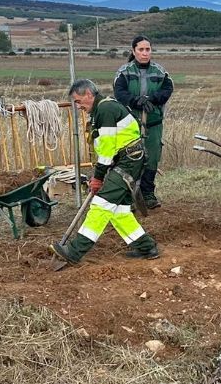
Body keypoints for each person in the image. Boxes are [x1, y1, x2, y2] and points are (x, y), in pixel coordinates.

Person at [51, 78, 160, 266]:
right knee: (119, 211)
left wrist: (98, 176)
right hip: (126, 161)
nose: (77, 107)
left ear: (88, 94)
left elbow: (107, 148)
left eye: (78, 101)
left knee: (101, 205)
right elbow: (107, 148)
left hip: (128, 161)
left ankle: (74, 252)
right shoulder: (101, 109)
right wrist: (100, 173)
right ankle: (146, 247)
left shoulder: (105, 109)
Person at [112, 36, 173, 209]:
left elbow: (167, 90)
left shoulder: (160, 72)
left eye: (148, 50)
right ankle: (128, 197)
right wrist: (136, 101)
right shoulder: (124, 72)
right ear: (133, 51)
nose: (145, 53)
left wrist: (152, 99)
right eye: (141, 50)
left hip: (153, 124)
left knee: (152, 158)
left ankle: (147, 194)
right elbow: (120, 93)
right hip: (130, 124)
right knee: (130, 158)